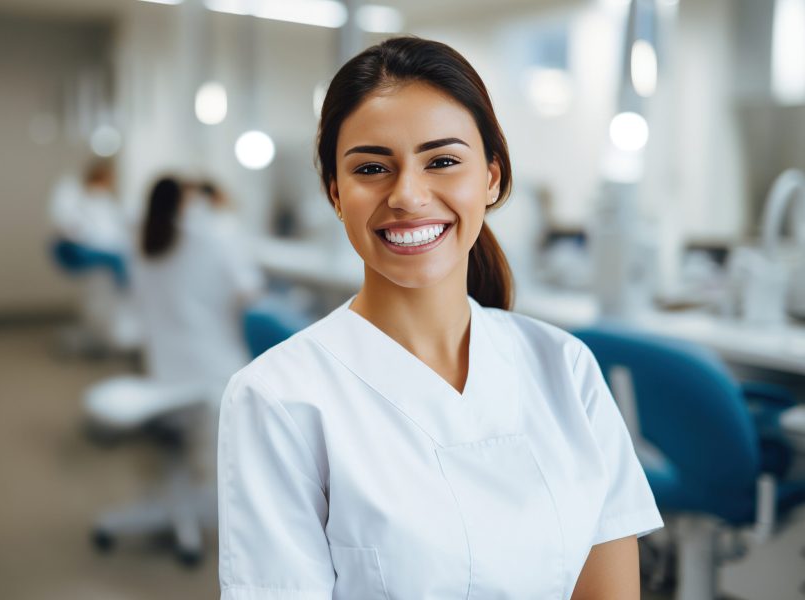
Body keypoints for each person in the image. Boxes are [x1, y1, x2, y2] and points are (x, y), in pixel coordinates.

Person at [216, 37, 663, 599]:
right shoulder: (278, 398)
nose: (407, 195)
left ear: (493, 178)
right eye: (373, 168)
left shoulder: (566, 369)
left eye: (443, 161)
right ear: (335, 193)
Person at [136, 176, 263, 388]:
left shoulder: (145, 246)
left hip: (162, 367)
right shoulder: (214, 237)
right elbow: (251, 291)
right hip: (215, 369)